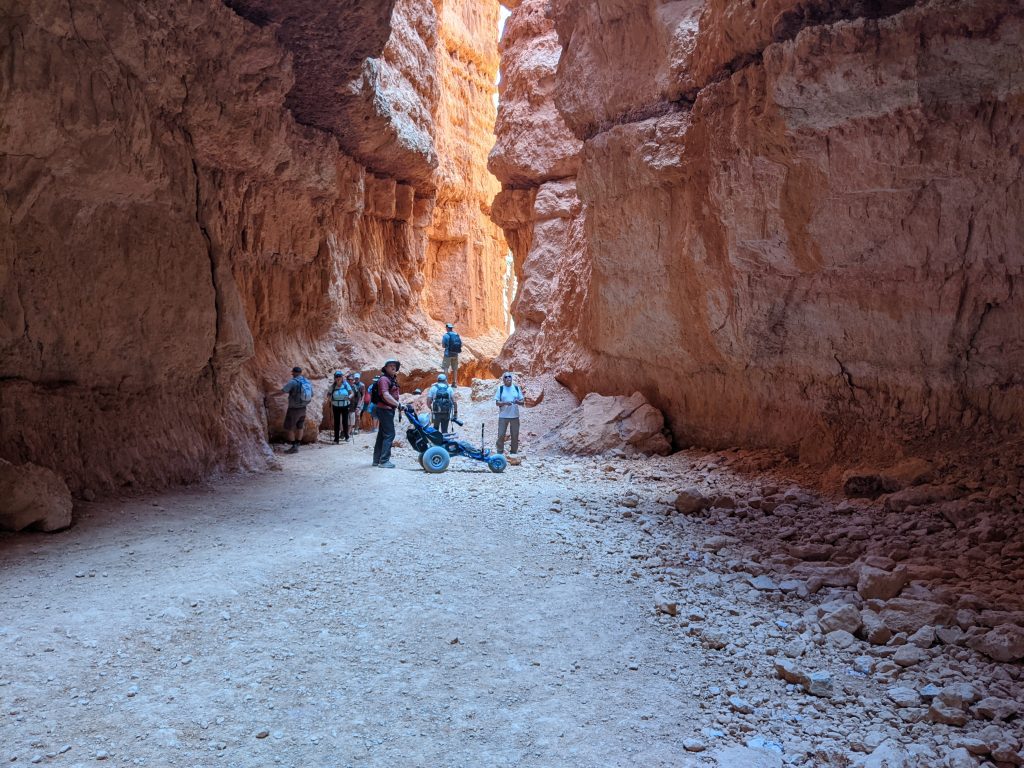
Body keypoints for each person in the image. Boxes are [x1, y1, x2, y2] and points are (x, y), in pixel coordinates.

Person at [372, 359, 402, 468]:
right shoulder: (384, 379)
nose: (393, 367)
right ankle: (384, 461)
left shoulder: (392, 379)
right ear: (385, 368)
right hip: (385, 410)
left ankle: (377, 460)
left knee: (382, 435)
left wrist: (397, 404)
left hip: (387, 409)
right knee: (390, 434)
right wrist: (398, 404)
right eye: (390, 366)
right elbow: (386, 395)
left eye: (394, 366)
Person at [281, 366, 313, 454]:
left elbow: (283, 391)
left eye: (293, 372)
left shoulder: (293, 382)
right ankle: (298, 444)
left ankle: (294, 447)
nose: (292, 374)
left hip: (294, 409)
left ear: (295, 372)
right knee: (300, 426)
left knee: (289, 428)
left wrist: (271, 395)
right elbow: (312, 394)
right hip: (303, 408)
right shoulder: (306, 381)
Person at [494, 371, 524, 455]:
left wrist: (517, 402)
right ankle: (499, 452)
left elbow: (522, 402)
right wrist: (504, 403)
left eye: (509, 376)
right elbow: (497, 403)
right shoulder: (500, 389)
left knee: (515, 435)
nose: (508, 378)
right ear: (503, 379)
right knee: (501, 434)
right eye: (506, 377)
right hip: (503, 416)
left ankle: (514, 453)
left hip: (515, 416)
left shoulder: (516, 388)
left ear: (512, 378)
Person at [328, 371, 354, 443]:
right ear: (335, 378)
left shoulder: (346, 385)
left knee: (345, 421)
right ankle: (336, 439)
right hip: (336, 406)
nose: (338, 378)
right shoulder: (333, 386)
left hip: (345, 405)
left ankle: (346, 436)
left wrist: (349, 397)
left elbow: (352, 393)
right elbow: (329, 394)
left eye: (339, 376)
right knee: (336, 422)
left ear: (342, 377)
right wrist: (330, 399)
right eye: (337, 376)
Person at [440, 323, 462, 387]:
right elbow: (461, 344)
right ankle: (454, 383)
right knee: (455, 369)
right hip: (455, 354)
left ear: (447, 328)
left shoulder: (446, 335)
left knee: (446, 367)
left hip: (448, 354)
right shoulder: (457, 335)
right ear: (452, 328)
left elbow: (443, 346)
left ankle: (445, 382)